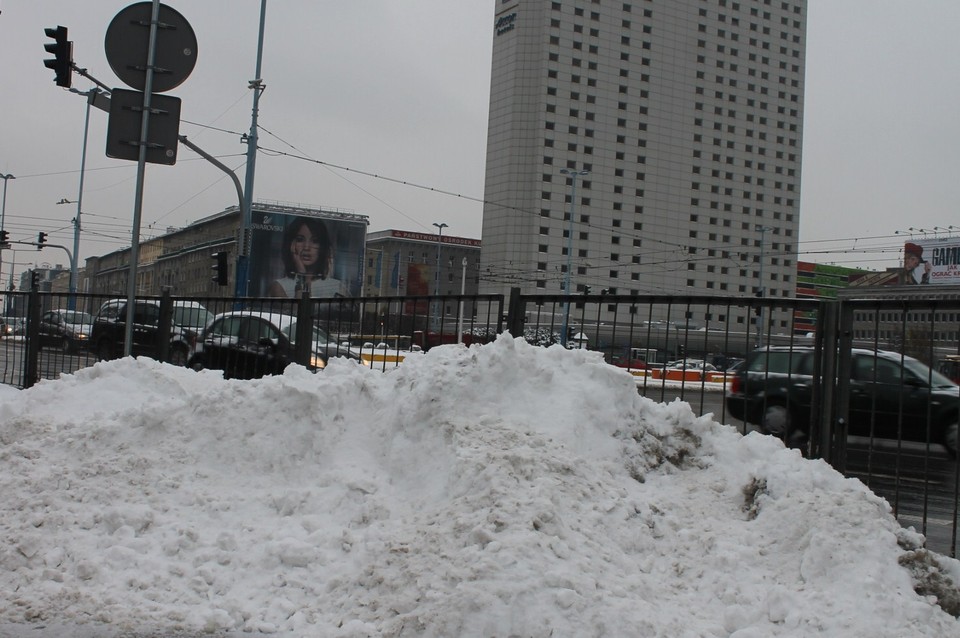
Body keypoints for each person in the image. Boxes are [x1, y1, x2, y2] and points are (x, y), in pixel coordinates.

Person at [267, 218, 348, 298]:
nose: (306, 247)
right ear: (291, 245)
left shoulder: (338, 287)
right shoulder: (279, 287)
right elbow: (300, 310)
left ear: (322, 247)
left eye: (315, 241)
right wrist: (302, 273)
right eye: (300, 240)